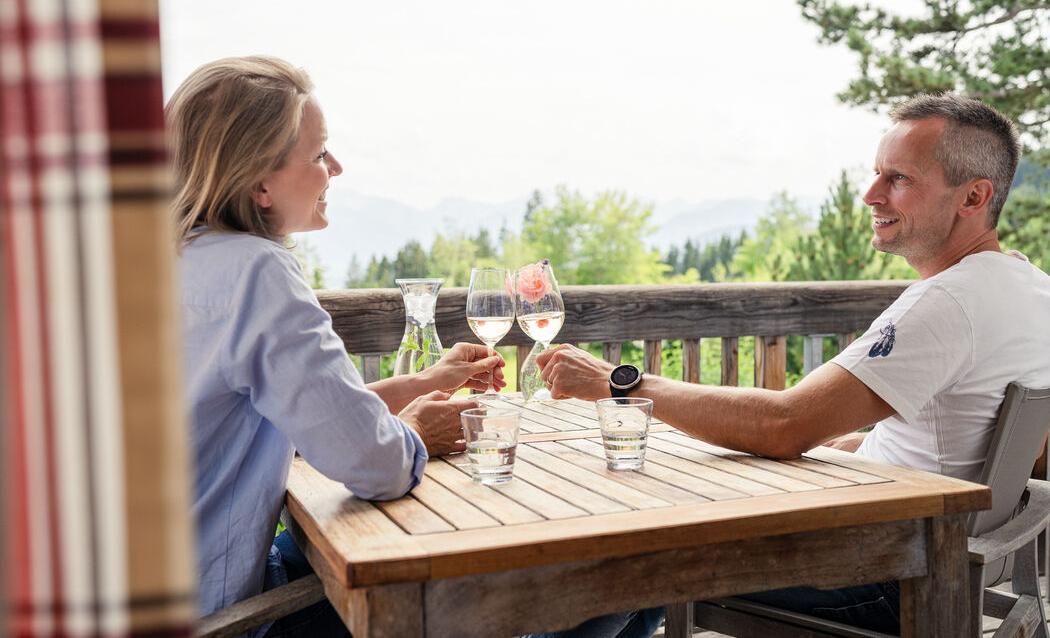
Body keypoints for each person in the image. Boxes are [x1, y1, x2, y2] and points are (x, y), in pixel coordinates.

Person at [537, 92, 1050, 634]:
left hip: (886, 574)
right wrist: (858, 447)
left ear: (973, 196)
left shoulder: (949, 302)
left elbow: (783, 424)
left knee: (633, 554)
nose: (870, 195)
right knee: (653, 546)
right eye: (876, 174)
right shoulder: (1030, 288)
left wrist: (618, 384)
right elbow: (965, 437)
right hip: (935, 550)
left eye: (899, 179)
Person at [168, 56, 507, 637]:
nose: (337, 168)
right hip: (223, 617)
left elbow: (294, 412)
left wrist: (425, 384)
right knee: (604, 597)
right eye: (320, 153)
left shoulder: (159, 261)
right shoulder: (257, 273)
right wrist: (415, 434)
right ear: (259, 182)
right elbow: (375, 465)